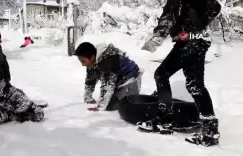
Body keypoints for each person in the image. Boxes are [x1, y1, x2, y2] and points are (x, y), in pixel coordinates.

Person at [138, 0, 221, 146]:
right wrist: (156, 39)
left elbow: (215, 6)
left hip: (196, 41)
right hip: (182, 42)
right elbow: (166, 19)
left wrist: (198, 23)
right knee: (161, 74)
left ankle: (210, 130)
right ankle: (165, 119)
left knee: (194, 85)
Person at [73, 42, 143, 111]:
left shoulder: (108, 60)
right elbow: (90, 80)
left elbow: (108, 86)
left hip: (130, 80)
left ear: (92, 57)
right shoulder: (92, 62)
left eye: (83, 61)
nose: (82, 64)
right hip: (117, 81)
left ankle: (132, 94)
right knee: (108, 102)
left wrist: (100, 106)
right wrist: (88, 97)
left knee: (112, 106)